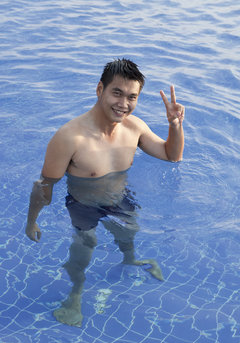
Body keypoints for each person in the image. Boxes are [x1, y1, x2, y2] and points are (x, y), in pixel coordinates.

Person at [25, 58, 184, 326]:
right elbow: (45, 185)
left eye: (132, 97)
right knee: (84, 249)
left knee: (129, 234)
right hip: (82, 204)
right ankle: (75, 294)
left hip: (120, 198)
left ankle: (130, 261)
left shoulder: (134, 127)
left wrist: (175, 125)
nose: (124, 104)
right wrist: (32, 221)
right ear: (100, 89)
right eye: (117, 93)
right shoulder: (70, 138)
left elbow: (172, 156)